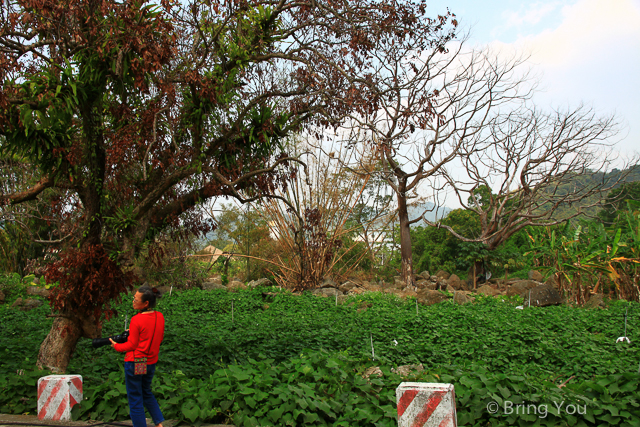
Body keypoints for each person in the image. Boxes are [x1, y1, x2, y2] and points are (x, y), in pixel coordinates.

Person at [111, 285, 166, 427]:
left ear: (146, 303)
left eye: (136, 299)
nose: (133, 301)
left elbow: (131, 345)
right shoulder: (159, 316)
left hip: (136, 362)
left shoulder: (136, 320)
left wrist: (116, 346)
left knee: (135, 398)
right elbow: (158, 338)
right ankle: (159, 424)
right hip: (150, 362)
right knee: (146, 392)